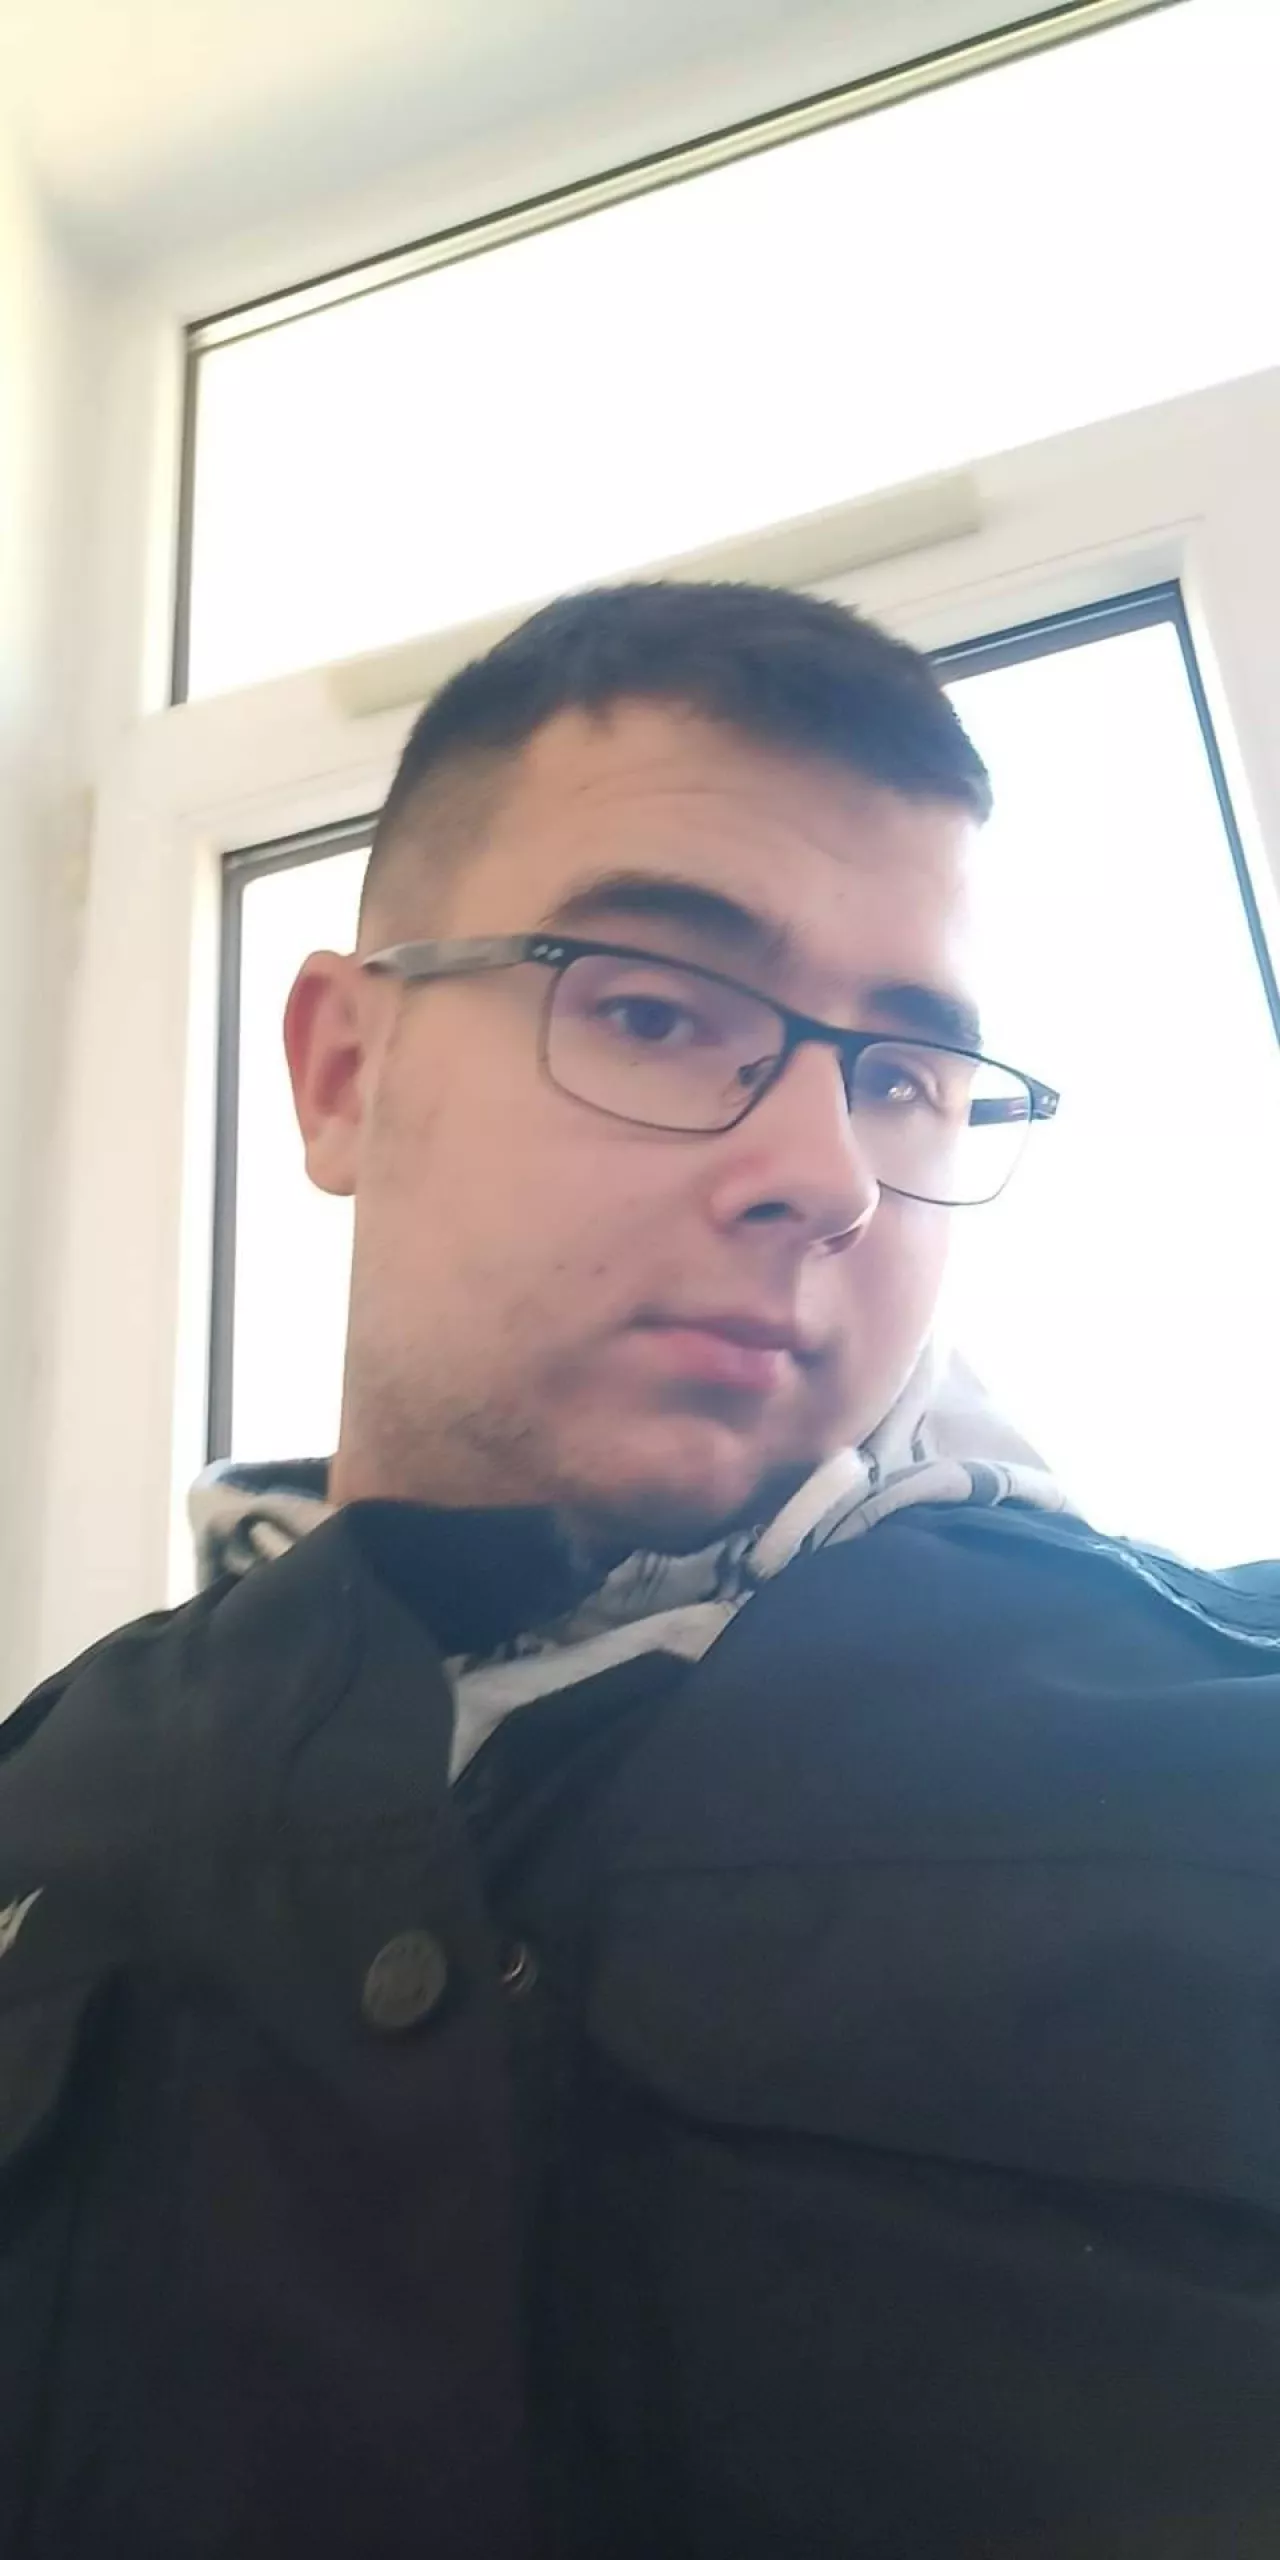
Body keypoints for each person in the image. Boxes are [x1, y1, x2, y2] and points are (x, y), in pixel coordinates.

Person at [2, 580, 1279, 2560]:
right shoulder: (51, 1796)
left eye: (903, 1075)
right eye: (659, 1010)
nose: (826, 1173)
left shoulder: (1218, 1751)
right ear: (342, 1073)